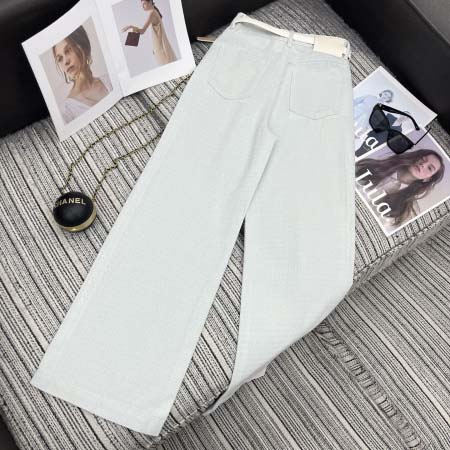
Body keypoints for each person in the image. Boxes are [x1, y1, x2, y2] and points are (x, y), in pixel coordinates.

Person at [356, 149, 445, 229]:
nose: (423, 164)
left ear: (428, 179)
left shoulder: (408, 211)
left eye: (429, 168)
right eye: (422, 159)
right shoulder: (372, 165)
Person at [53, 25, 112, 124]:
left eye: (68, 50)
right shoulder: (66, 111)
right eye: (60, 59)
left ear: (83, 46)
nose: (65, 62)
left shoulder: (110, 80)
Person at [122, 0, 177, 66]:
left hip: (161, 48)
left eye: (144, 4)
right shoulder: (155, 11)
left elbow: (142, 31)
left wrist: (130, 26)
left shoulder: (152, 13)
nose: (142, 7)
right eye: (142, 5)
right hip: (161, 47)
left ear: (150, 2)